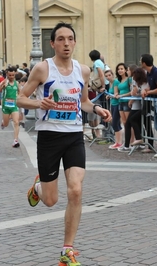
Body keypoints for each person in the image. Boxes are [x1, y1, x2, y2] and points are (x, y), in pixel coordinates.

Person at [16, 22, 111, 266]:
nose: (66, 43)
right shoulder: (42, 69)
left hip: (73, 136)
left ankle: (66, 251)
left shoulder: (84, 70)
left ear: (75, 42)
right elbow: (21, 98)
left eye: (70, 39)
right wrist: (39, 104)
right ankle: (38, 187)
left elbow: (85, 102)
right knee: (51, 200)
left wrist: (98, 109)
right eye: (61, 39)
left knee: (76, 190)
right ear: (52, 43)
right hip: (49, 138)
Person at [140, 54, 157, 157]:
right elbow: (152, 87)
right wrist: (146, 90)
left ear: (144, 63)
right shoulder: (149, 73)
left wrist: (149, 92)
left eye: (140, 61)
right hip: (155, 101)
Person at [0, 66, 21, 148]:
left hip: (14, 106)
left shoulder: (17, 83)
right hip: (6, 106)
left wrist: (20, 99)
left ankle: (15, 140)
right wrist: (2, 86)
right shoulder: (4, 82)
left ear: (15, 74)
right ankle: (3, 122)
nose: (11, 77)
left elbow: (21, 93)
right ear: (7, 74)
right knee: (6, 124)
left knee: (16, 122)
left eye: (13, 75)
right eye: (10, 75)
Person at [105, 69, 123, 149]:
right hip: (113, 104)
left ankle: (119, 142)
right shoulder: (110, 83)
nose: (108, 77)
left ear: (112, 75)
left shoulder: (115, 82)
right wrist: (109, 95)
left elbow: (115, 93)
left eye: (109, 75)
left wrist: (109, 96)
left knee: (115, 123)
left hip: (117, 104)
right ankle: (118, 142)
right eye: (106, 76)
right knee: (115, 123)